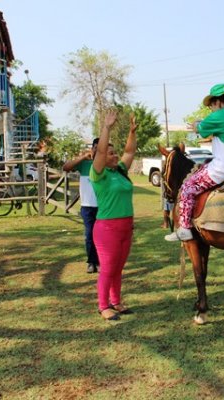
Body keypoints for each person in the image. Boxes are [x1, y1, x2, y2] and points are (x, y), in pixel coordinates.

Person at [164, 83, 224, 241]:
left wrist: (196, 124)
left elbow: (200, 129)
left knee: (187, 187)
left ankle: (184, 228)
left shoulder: (219, 115)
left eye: (211, 105)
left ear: (218, 102)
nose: (211, 109)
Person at [91, 109, 137, 321]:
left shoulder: (119, 171)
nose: (115, 155)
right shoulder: (98, 174)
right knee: (108, 268)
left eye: (114, 152)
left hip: (126, 227)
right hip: (107, 229)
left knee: (118, 267)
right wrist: (106, 128)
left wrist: (132, 132)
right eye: (111, 153)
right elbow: (101, 153)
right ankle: (103, 306)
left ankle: (116, 301)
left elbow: (130, 152)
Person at [62, 138, 100, 274]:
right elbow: (66, 167)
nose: (97, 151)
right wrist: (83, 157)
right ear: (92, 149)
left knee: (101, 235)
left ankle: (100, 261)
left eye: (101, 149)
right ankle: (91, 262)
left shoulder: (106, 166)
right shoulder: (84, 164)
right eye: (95, 148)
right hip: (88, 206)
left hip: (104, 206)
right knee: (89, 235)